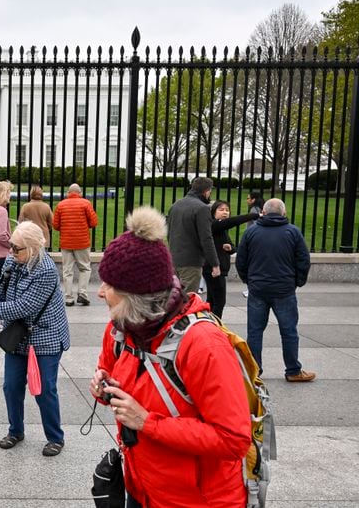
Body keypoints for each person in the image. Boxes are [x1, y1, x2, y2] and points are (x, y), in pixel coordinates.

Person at [90, 206, 251, 507]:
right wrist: (103, 387)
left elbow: (234, 439)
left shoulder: (203, 345)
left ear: (136, 297)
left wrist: (147, 422)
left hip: (198, 501)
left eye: (110, 285)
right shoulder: (121, 329)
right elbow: (111, 374)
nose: (100, 292)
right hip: (140, 488)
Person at [0, 221, 69, 457]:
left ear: (33, 249)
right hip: (19, 334)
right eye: (11, 246)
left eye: (16, 248)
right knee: (11, 386)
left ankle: (55, 437)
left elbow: (25, 306)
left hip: (46, 335)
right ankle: (15, 431)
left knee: (44, 389)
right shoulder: (12, 262)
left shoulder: (45, 270)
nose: (11, 252)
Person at [236, 198, 314, 382]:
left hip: (258, 288)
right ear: (283, 213)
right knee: (289, 331)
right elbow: (303, 260)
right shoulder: (292, 232)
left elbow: (241, 261)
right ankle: (293, 370)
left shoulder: (251, 232)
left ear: (263, 212)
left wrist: (249, 280)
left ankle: (254, 370)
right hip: (284, 289)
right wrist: (297, 282)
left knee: (254, 331)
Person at [202, 200, 259, 318]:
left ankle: (209, 326)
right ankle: (215, 329)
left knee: (212, 300)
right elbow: (233, 222)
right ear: (213, 212)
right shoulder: (213, 224)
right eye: (221, 210)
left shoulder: (222, 228)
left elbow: (231, 247)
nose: (225, 212)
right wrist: (254, 215)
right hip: (214, 269)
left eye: (227, 210)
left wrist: (230, 248)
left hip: (218, 268)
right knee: (219, 302)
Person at [167, 176, 220, 296]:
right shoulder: (202, 208)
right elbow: (206, 238)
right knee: (187, 301)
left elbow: (169, 232)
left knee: (173, 300)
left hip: (174, 259)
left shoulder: (176, 205)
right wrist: (215, 264)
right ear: (207, 191)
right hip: (191, 263)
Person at [52, 183, 98, 306]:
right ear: (80, 193)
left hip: (66, 243)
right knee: (85, 268)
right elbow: (94, 222)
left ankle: (68, 298)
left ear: (68, 193)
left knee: (67, 270)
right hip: (82, 242)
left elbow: (55, 225)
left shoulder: (61, 205)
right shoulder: (86, 203)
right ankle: (82, 293)